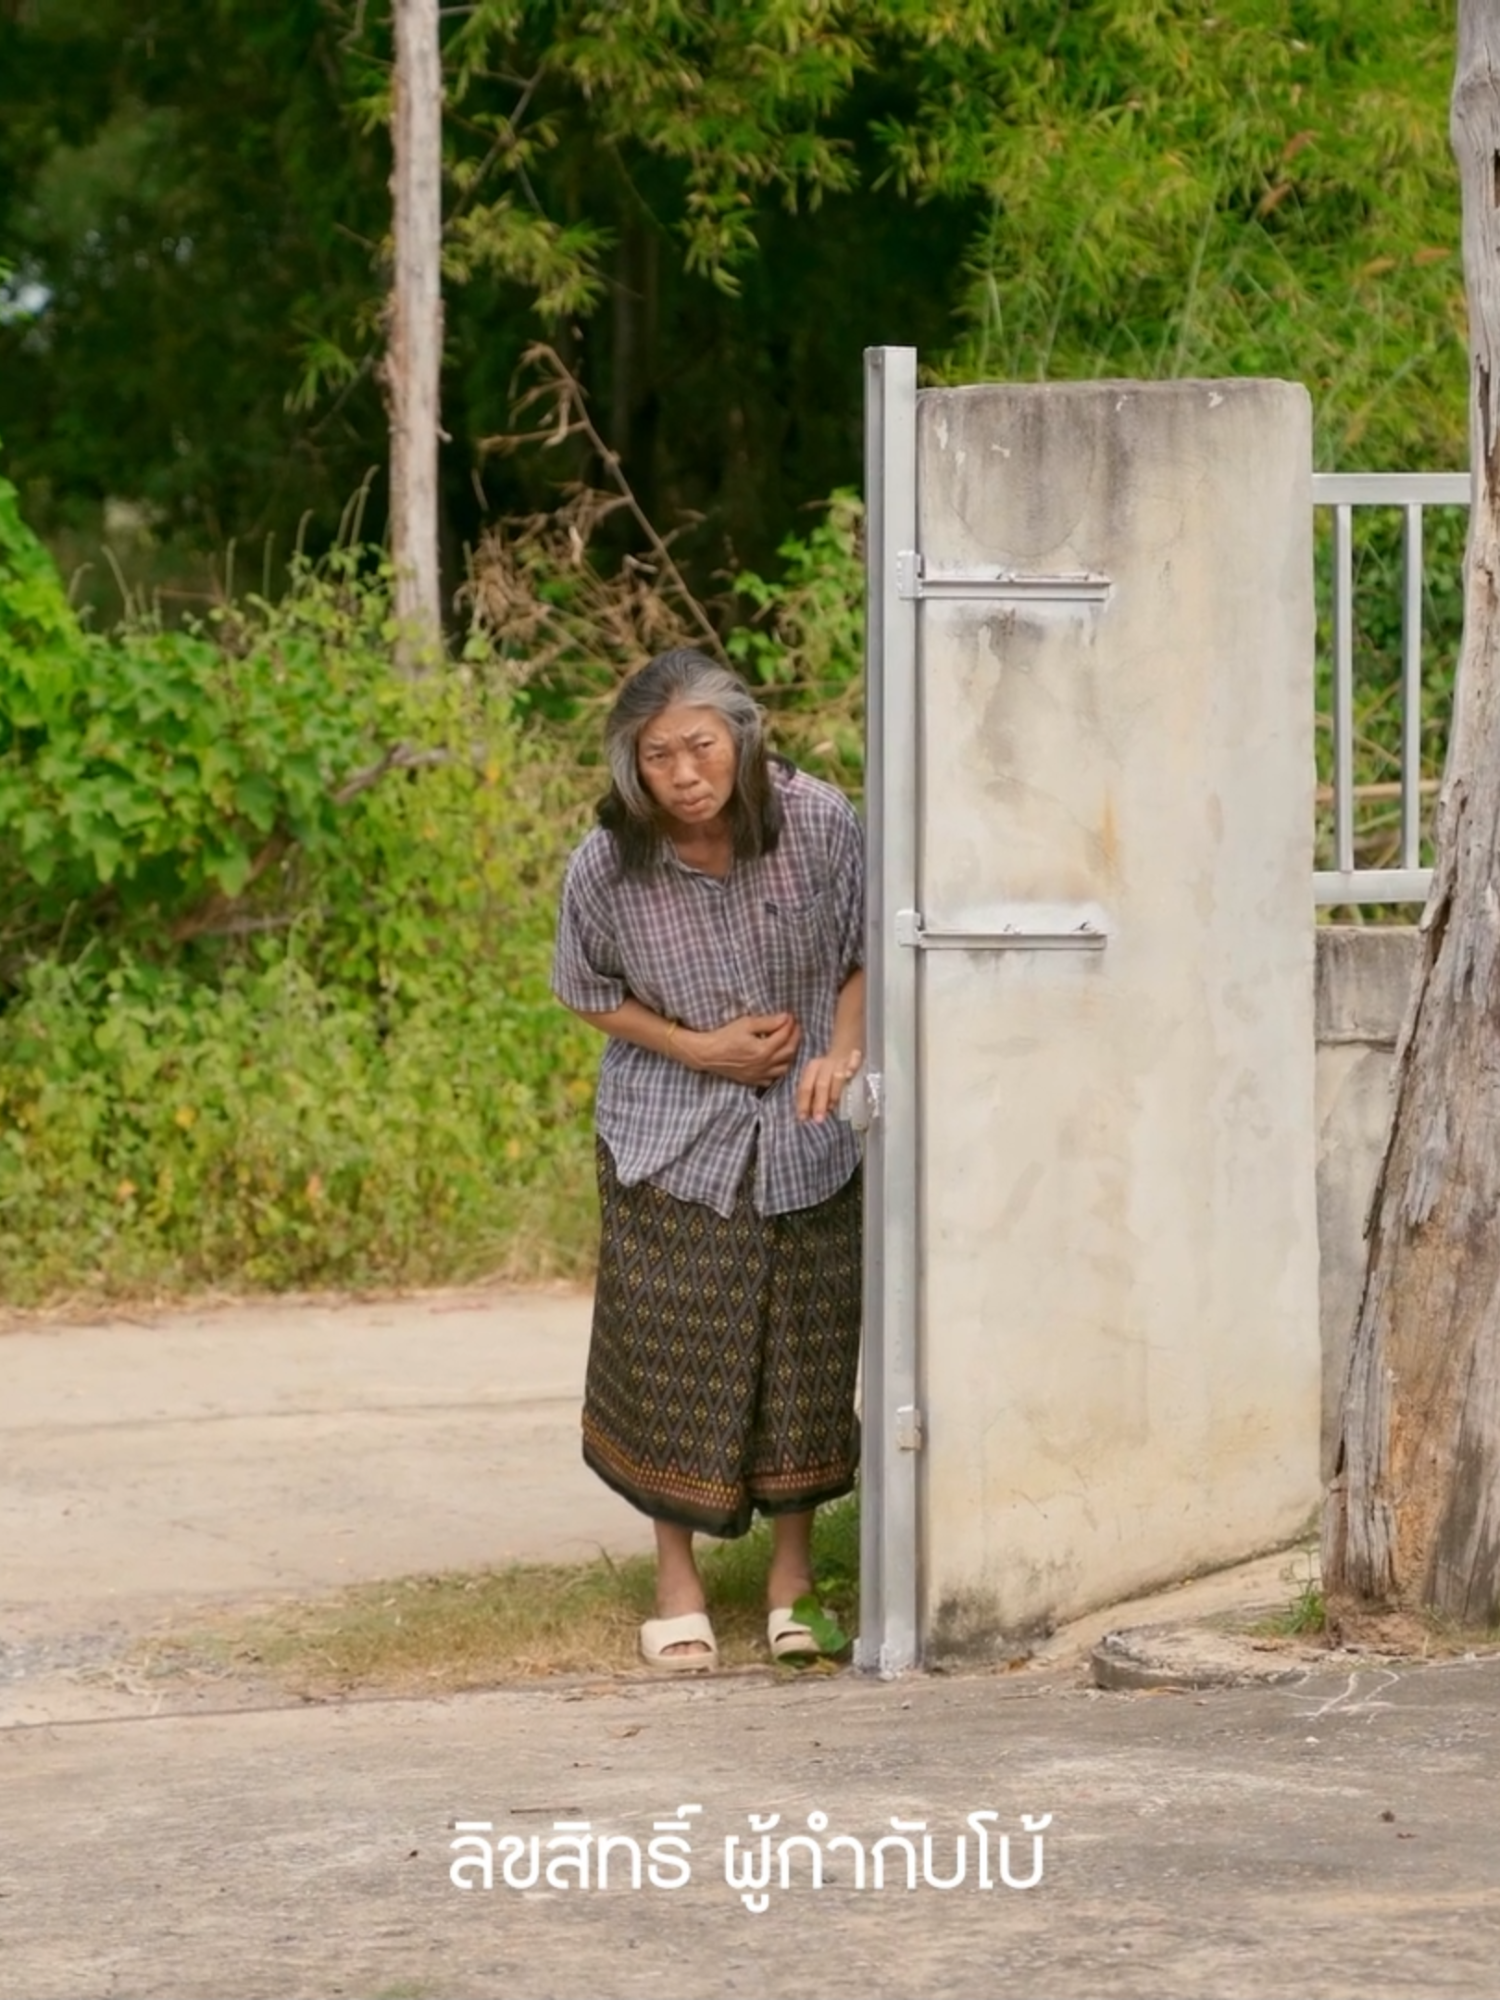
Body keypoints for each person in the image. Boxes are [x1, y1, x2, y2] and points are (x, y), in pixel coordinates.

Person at [551, 646, 866, 1671]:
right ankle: (676, 1582)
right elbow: (583, 986)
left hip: (808, 1133)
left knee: (803, 1345)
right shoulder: (606, 863)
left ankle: (793, 1580)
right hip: (669, 1133)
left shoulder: (819, 820)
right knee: (670, 1345)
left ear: (742, 735)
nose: (684, 773)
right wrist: (702, 1047)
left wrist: (841, 1049)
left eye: (700, 745)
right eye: (657, 756)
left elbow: (866, 949)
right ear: (630, 767)